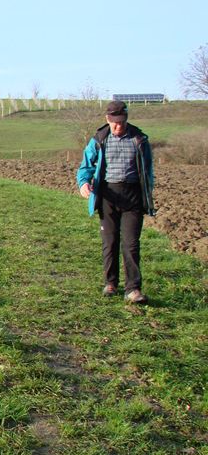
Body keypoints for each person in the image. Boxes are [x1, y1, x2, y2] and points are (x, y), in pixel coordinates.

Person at [77, 100, 155, 304]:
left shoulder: (139, 140)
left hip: (132, 197)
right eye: (114, 123)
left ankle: (133, 289)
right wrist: (84, 183)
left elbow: (148, 172)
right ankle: (110, 283)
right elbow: (85, 165)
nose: (117, 126)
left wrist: (148, 193)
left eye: (121, 122)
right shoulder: (100, 139)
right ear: (107, 119)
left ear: (126, 119)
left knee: (131, 244)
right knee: (109, 242)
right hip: (108, 195)